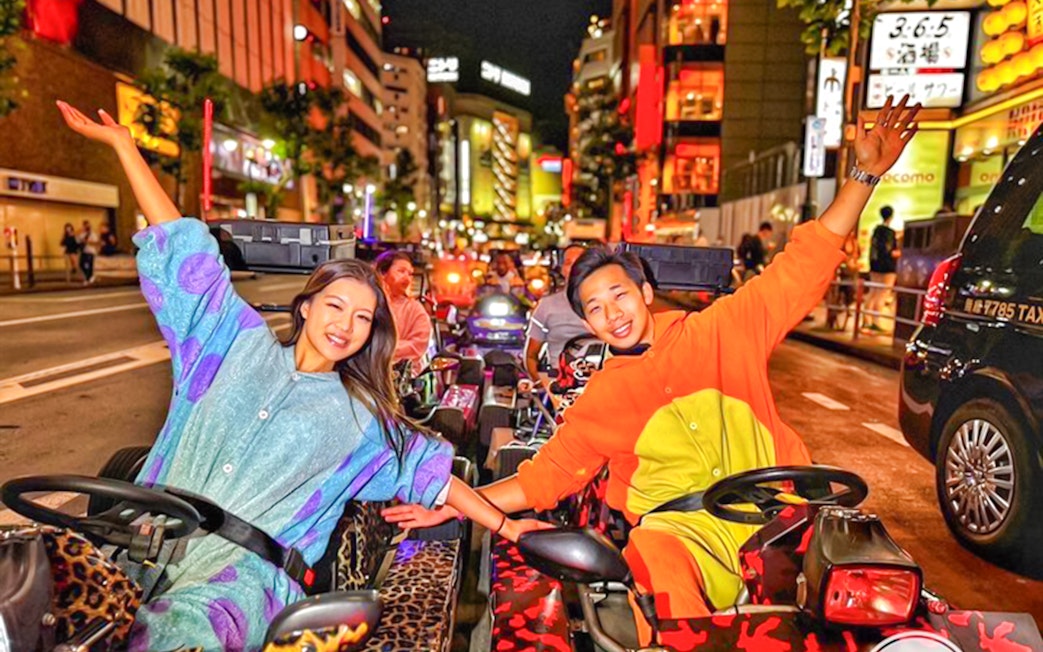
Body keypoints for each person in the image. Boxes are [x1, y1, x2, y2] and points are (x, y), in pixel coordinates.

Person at [383, 95, 921, 649]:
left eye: (618, 295)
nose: (611, 313)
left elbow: (802, 266)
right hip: (680, 535)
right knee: (655, 562)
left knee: (885, 589)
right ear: (585, 320)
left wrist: (862, 174)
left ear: (644, 292)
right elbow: (543, 479)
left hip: (785, 522)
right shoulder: (601, 398)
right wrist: (454, 501)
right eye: (594, 307)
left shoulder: (721, 328)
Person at [56, 100, 547, 651]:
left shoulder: (362, 419)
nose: (347, 325)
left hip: (240, 583)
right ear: (306, 307)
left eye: (363, 318)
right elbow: (186, 250)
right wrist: (126, 147)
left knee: (171, 638)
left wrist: (508, 529)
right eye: (336, 306)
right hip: (142, 545)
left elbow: (431, 471)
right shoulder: (228, 342)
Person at [524, 244, 592, 390]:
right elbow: (530, 356)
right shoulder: (546, 306)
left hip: (600, 384)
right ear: (562, 269)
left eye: (580, 261)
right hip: (559, 383)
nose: (574, 267)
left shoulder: (608, 303)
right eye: (569, 263)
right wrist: (543, 386)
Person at [375, 250, 433, 373]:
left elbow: (417, 346)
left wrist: (380, 349)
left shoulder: (415, 309)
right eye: (401, 271)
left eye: (410, 274)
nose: (407, 278)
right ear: (383, 273)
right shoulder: (368, 301)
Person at [865, 205, 900, 332]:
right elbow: (889, 251)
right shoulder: (889, 233)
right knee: (882, 294)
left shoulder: (876, 231)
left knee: (873, 292)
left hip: (874, 266)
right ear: (891, 216)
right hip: (887, 268)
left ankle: (866, 320)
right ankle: (876, 322)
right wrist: (899, 253)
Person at [77, 219, 100, 284]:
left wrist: (88, 242)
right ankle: (89, 277)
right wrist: (78, 233)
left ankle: (88, 278)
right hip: (84, 251)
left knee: (89, 265)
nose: (86, 227)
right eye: (85, 225)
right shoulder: (82, 234)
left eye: (87, 225)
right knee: (81, 264)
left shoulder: (93, 234)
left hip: (90, 251)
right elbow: (77, 241)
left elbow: (96, 242)